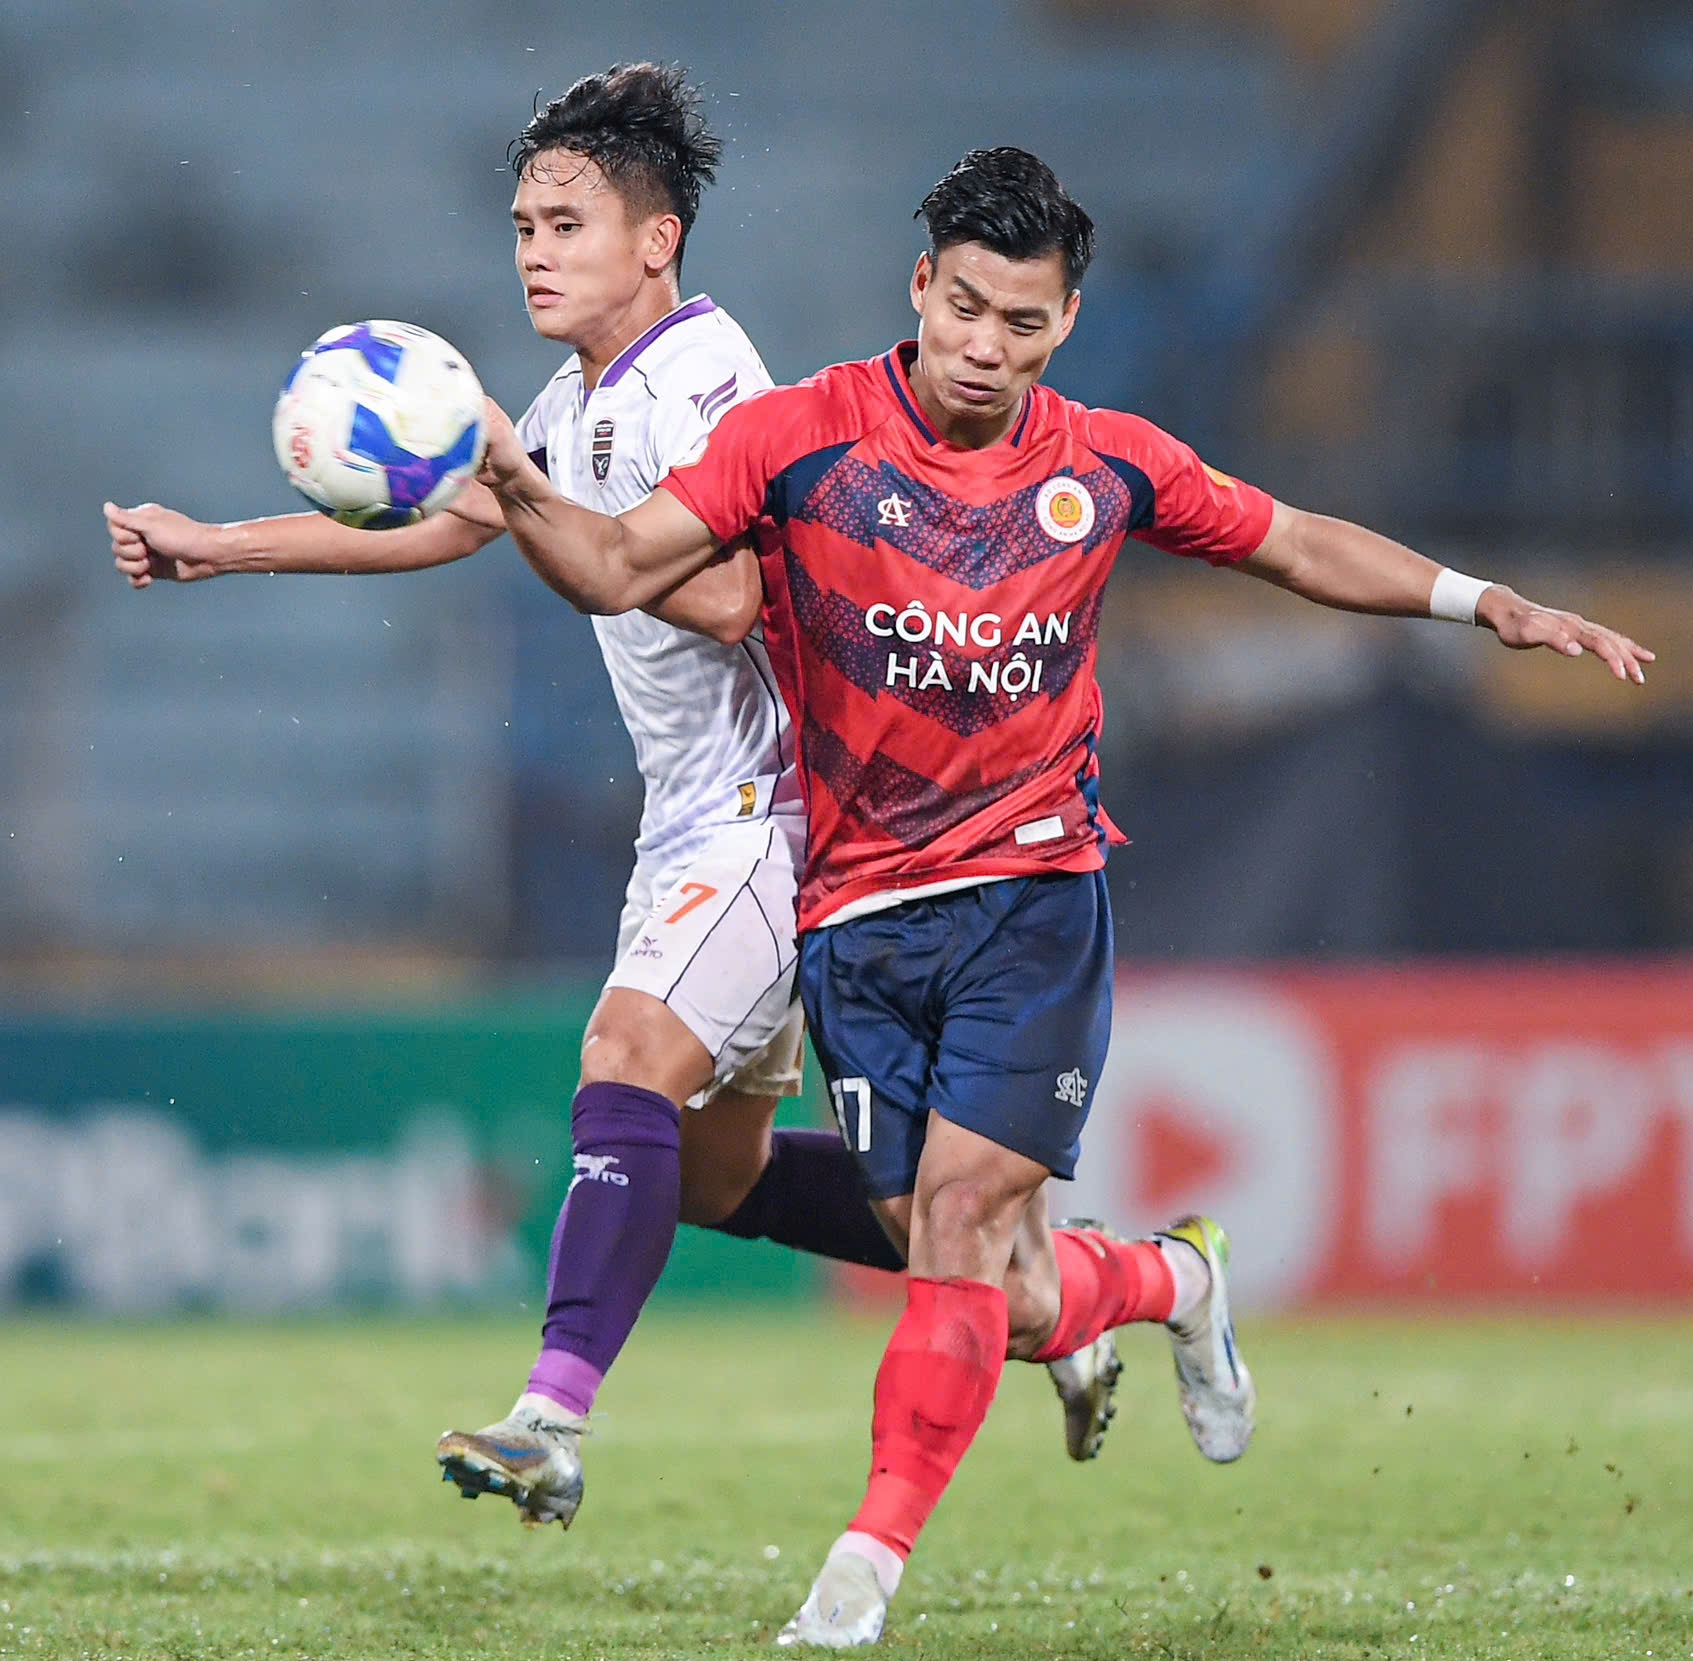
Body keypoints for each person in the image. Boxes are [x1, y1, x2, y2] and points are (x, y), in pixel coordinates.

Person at [474, 144, 1656, 1645]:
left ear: (1066, 324)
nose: (985, 348)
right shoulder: (797, 439)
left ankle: (864, 1567)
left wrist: (1477, 600)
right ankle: (1169, 1279)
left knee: (961, 1222)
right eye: (965, 308)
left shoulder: (1104, 462)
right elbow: (624, 562)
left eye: (1021, 324)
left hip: (1034, 896)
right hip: (853, 917)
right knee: (983, 1274)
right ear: (921, 288)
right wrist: (517, 482)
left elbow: (1289, 539)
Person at [104, 74, 1116, 1532]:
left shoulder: (708, 384)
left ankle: (551, 1417)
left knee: (624, 1051)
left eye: (568, 223)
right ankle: (1070, 1286)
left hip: (785, 809)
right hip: (696, 815)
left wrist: (554, 515)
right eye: (523, 223)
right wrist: (222, 544)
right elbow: (462, 514)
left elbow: (749, 590)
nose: (535, 250)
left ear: (659, 239)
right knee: (720, 1176)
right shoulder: (585, 397)